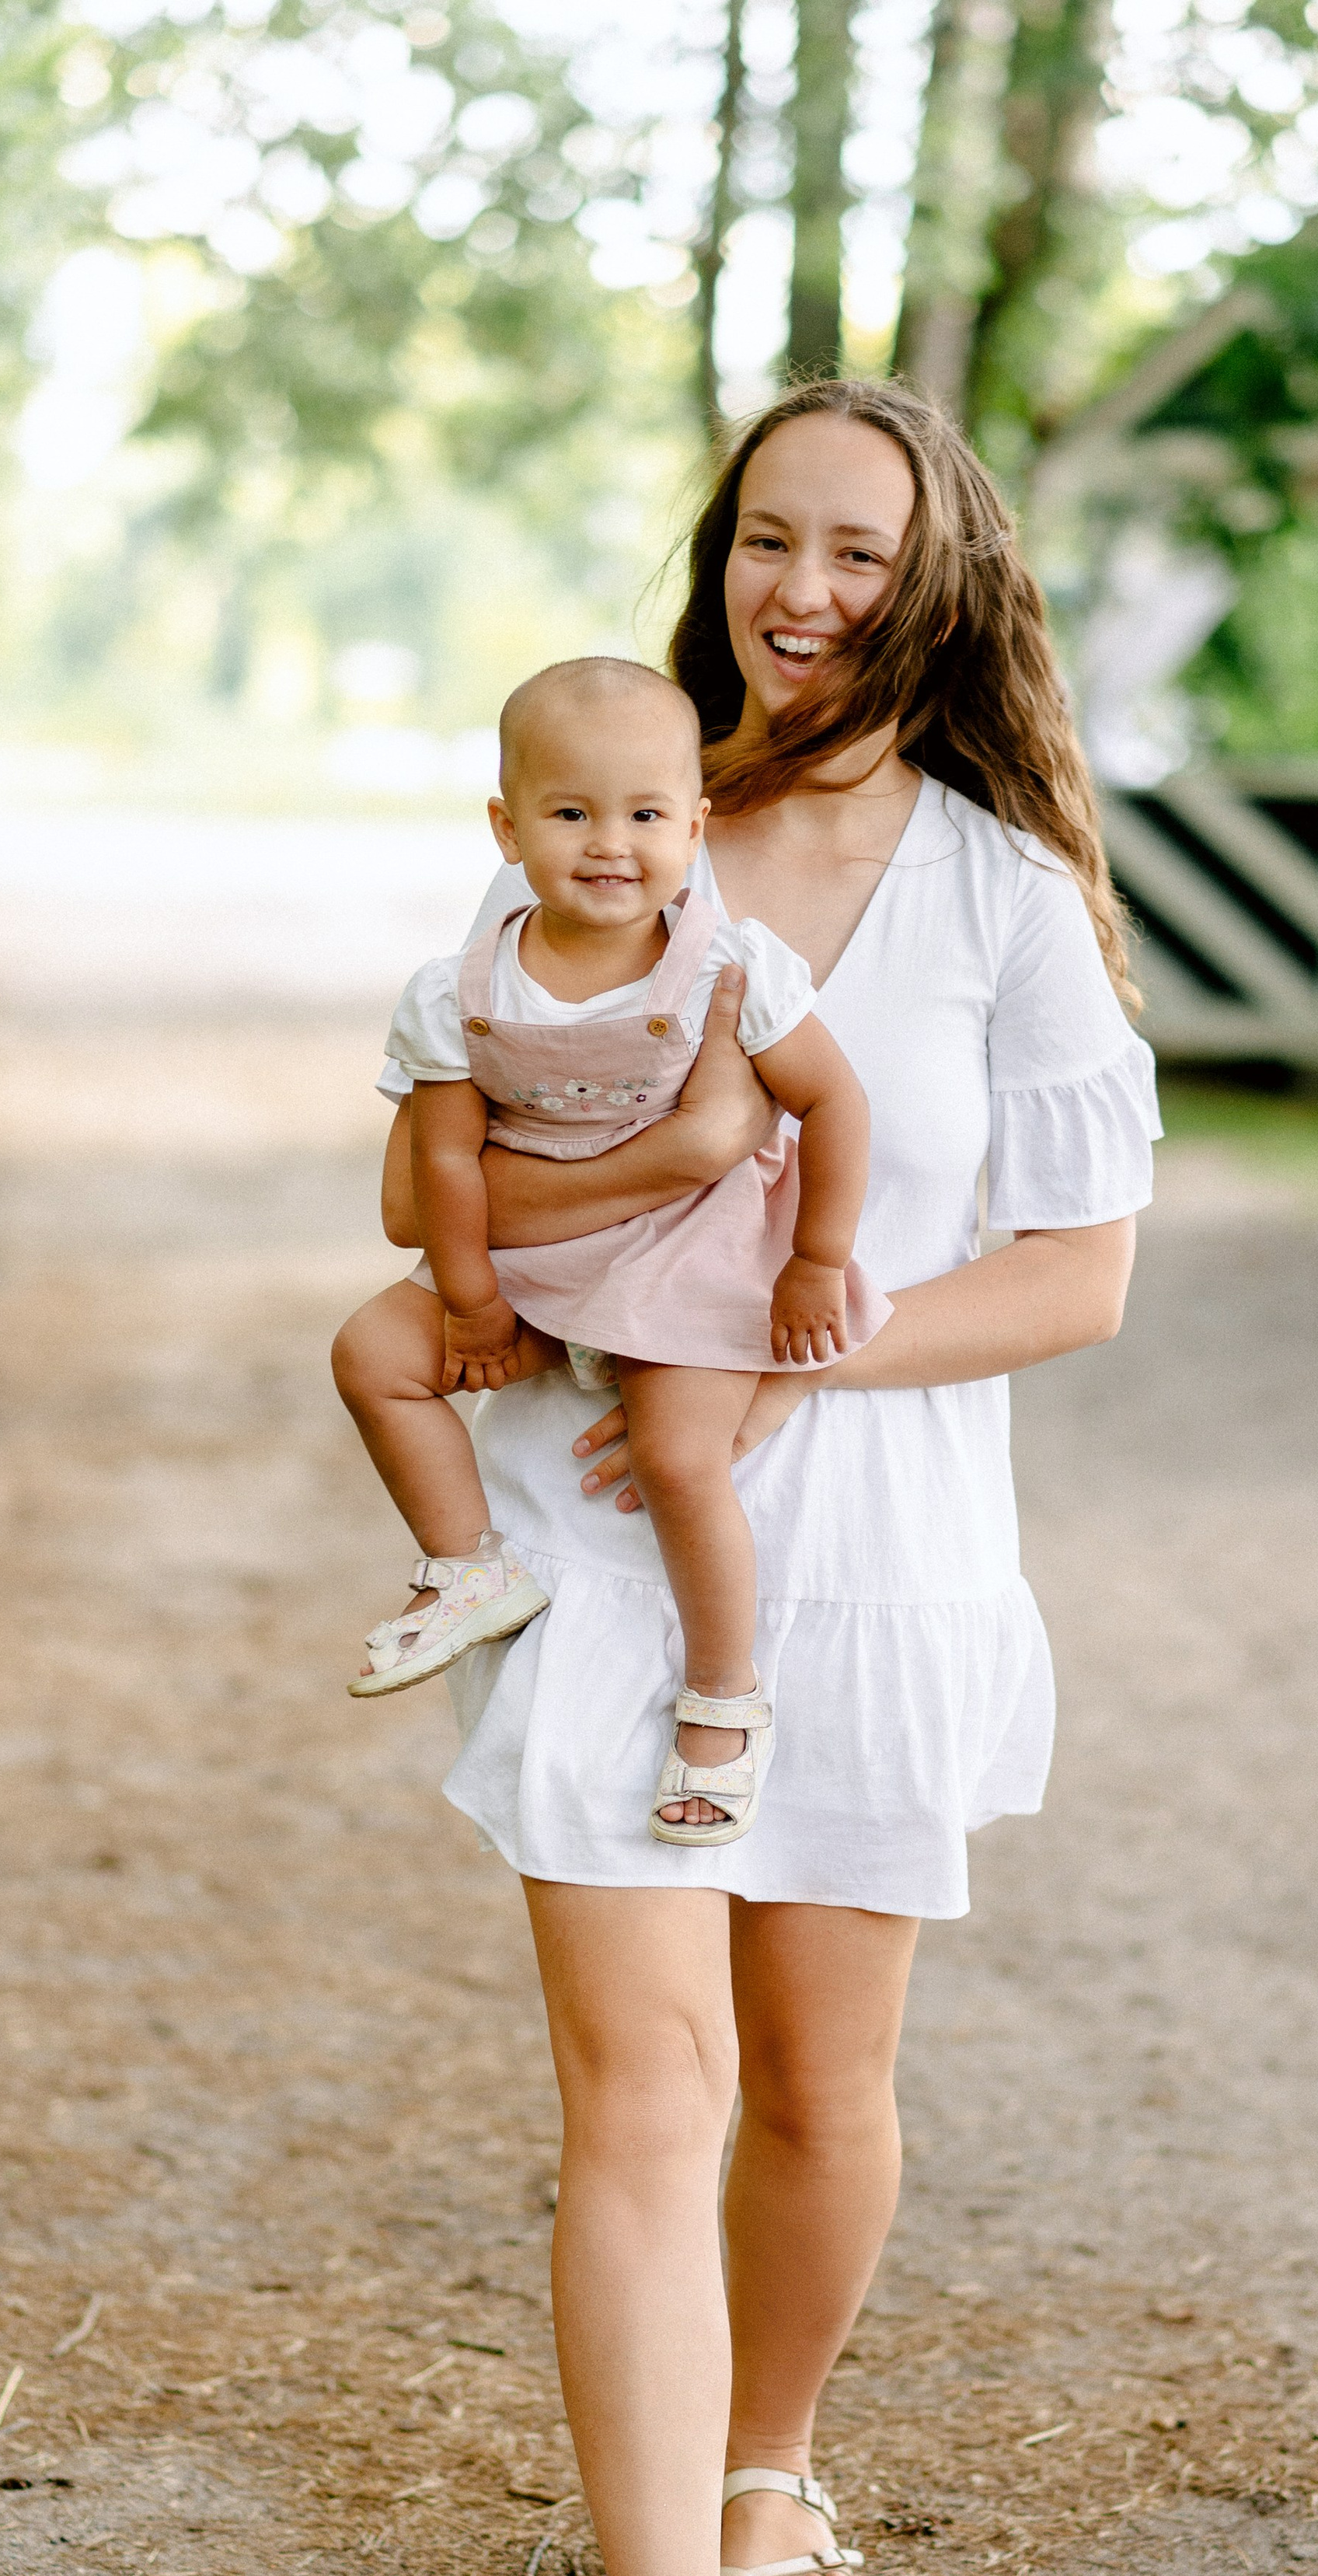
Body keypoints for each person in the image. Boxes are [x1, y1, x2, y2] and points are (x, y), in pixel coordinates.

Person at [343, 377, 1159, 2576]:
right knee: (643, 2097)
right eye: (765, 539)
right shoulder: (609, 817)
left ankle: (768, 2454)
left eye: (858, 552)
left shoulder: (1008, 895)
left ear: (943, 585)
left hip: (876, 1537)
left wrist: (798, 1358)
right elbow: (441, 1177)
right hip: (608, 1532)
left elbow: (1081, 1279)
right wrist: (610, 1223)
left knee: (816, 2086)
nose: (800, 591)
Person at [333, 655, 889, 1847]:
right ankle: (468, 1565)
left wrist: (814, 1259)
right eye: (571, 813)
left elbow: (836, 1103)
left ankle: (724, 1697)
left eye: (644, 815)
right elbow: (442, 1167)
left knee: (682, 1456)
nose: (610, 845)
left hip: (691, 1253)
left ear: (694, 827)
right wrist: (470, 1302)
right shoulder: (460, 991)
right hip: (538, 1260)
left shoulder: (735, 969)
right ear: (507, 828)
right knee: (371, 1353)